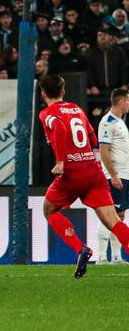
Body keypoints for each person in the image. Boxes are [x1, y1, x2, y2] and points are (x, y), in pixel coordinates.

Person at [37, 75, 129, 278]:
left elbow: (60, 127)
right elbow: (92, 136)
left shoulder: (46, 113)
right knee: (113, 221)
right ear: (63, 92)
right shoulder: (77, 109)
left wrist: (61, 161)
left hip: (71, 173)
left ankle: (81, 249)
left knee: (49, 211)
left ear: (43, 94)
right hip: (92, 170)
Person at [96, 88, 129, 263]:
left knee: (120, 215)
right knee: (112, 215)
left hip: (124, 175)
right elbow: (104, 151)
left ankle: (116, 256)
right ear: (121, 102)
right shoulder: (107, 122)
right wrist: (114, 175)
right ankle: (101, 257)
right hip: (114, 176)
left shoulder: (120, 122)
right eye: (128, 101)